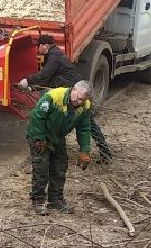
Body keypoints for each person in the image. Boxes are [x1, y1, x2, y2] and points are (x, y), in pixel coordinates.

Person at [17, 34, 112, 162]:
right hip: (72, 89)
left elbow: (45, 75)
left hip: (75, 91)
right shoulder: (54, 55)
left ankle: (105, 153)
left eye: (38, 46)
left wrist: (27, 80)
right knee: (86, 122)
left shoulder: (54, 56)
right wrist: (33, 88)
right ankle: (104, 152)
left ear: (45, 45)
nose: (37, 49)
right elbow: (51, 79)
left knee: (88, 123)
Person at [26, 80, 94, 215]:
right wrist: (39, 138)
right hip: (40, 135)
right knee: (41, 169)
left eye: (83, 100)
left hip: (57, 137)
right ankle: (38, 201)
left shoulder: (85, 106)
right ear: (73, 89)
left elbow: (84, 128)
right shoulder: (52, 97)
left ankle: (55, 200)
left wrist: (85, 150)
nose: (79, 102)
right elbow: (37, 117)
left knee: (60, 168)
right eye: (78, 98)